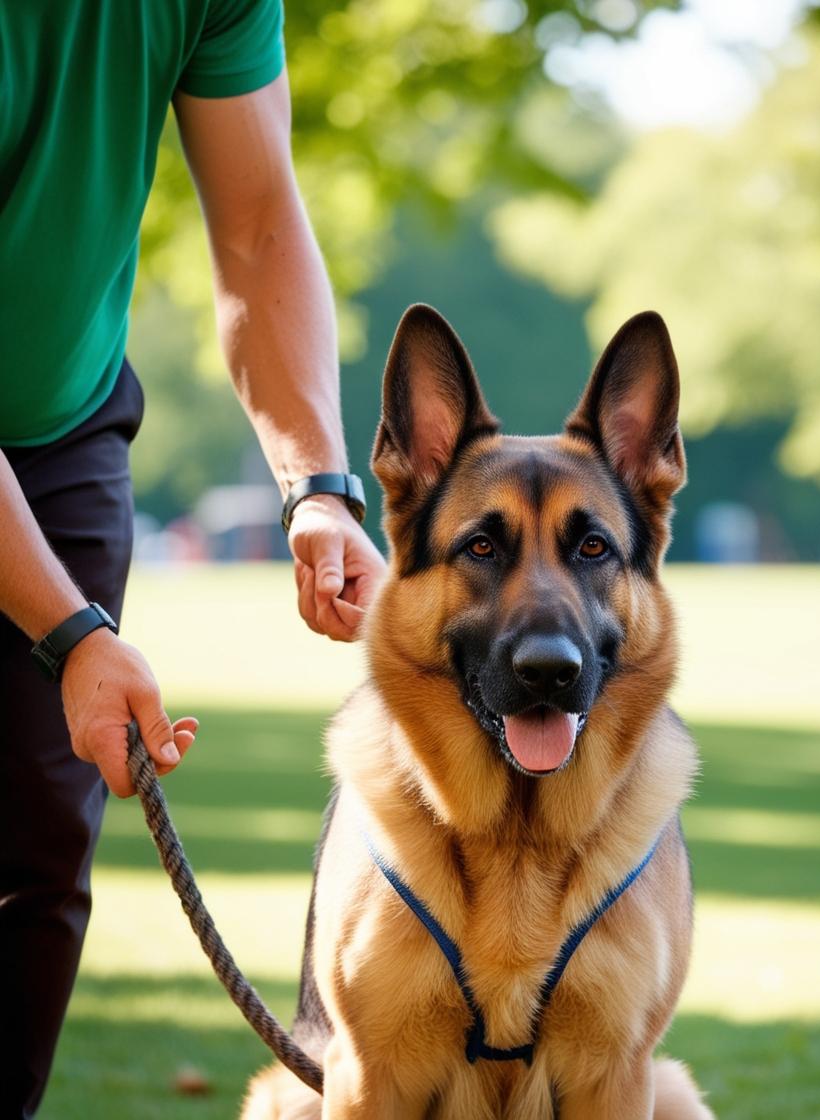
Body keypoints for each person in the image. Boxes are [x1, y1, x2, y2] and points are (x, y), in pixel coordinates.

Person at [0, 2, 386, 1114]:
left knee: (31, 865)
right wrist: (73, 634)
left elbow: (260, 225)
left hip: (58, 426)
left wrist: (316, 486)